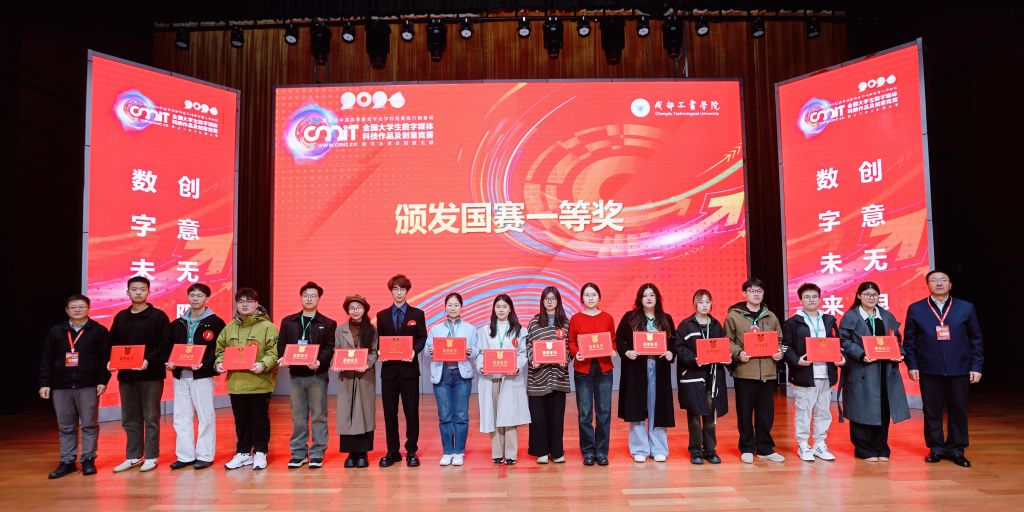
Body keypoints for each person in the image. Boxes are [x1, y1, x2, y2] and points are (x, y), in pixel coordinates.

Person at [904, 271, 984, 468]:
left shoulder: (965, 307)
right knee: (932, 410)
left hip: (959, 368)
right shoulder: (916, 309)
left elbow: (976, 338)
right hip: (929, 368)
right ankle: (936, 448)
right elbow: (910, 341)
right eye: (933, 280)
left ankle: (957, 449)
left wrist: (976, 366)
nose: (938, 283)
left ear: (950, 284)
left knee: (959, 410)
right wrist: (912, 365)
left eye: (943, 280)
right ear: (927, 284)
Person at [39, 294, 111, 479]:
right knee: (65, 426)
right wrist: (45, 383)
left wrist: (103, 380)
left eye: (81, 306)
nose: (77, 310)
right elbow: (46, 358)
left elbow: (105, 358)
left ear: (88, 309)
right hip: (61, 386)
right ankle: (67, 461)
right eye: (73, 307)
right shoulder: (56, 331)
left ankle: (88, 459)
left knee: (89, 425)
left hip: (88, 385)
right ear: (66, 310)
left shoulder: (99, 331)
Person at [838, 281, 910, 462]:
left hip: (885, 370)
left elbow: (897, 339)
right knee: (861, 409)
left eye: (874, 295)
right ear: (859, 296)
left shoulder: (886, 315)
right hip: (862, 369)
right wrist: (861, 354)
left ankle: (881, 447)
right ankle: (864, 449)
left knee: (883, 409)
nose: (871, 298)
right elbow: (843, 341)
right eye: (867, 294)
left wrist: (900, 354)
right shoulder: (851, 316)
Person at [107, 276, 171, 473]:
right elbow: (112, 342)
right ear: (127, 292)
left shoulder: (158, 316)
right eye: (134, 289)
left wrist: (148, 360)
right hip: (126, 376)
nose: (138, 292)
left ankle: (151, 456)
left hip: (151, 375)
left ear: (149, 292)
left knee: (151, 417)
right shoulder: (121, 317)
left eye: (142, 289)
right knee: (129, 417)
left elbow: (165, 345)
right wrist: (111, 359)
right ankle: (133, 456)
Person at [215, 288, 279, 471]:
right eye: (241, 301)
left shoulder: (268, 327)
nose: (245, 304)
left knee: (259, 420)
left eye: (249, 301)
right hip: (236, 383)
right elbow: (220, 350)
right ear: (236, 304)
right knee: (241, 421)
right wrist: (219, 363)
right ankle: (243, 453)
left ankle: (260, 452)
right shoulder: (229, 327)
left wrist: (263, 364)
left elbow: (274, 351)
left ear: (256, 303)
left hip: (259, 382)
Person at [782, 283, 844, 462]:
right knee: (804, 411)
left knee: (823, 411)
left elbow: (837, 343)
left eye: (814, 296)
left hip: (826, 372)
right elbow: (786, 347)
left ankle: (819, 443)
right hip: (805, 373)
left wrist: (841, 357)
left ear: (819, 298)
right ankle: (803, 444)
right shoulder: (793, 322)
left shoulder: (829, 320)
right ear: (801, 300)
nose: (811, 300)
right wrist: (797, 360)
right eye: (807, 297)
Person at [278, 282, 337, 469]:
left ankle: (317, 452)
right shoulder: (288, 321)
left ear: (319, 298)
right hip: (296, 376)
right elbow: (282, 344)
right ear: (301, 297)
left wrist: (320, 361)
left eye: (313, 295)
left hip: (317, 375)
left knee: (319, 415)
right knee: (298, 416)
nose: (309, 299)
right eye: (305, 295)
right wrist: (283, 357)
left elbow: (329, 347)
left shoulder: (328, 323)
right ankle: (298, 453)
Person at [726, 277, 786, 464]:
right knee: (744, 413)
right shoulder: (733, 316)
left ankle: (765, 448)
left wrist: (779, 353)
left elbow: (779, 340)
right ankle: (746, 447)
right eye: (752, 291)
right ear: (744, 294)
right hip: (745, 371)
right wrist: (738, 353)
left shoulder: (771, 316)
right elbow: (727, 341)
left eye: (759, 291)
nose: (756, 294)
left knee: (766, 413)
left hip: (767, 372)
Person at [166, 283, 226, 471]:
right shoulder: (177, 323)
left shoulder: (216, 322)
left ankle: (205, 455)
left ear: (207, 298)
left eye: (199, 295)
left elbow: (219, 349)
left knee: (205, 416)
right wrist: (170, 362)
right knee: (181, 417)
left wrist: (205, 364)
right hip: (181, 376)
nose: (195, 298)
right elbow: (169, 347)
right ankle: (185, 456)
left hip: (202, 377)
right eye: (192, 295)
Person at [615, 284, 676, 463]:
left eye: (652, 295)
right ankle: (639, 448)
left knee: (658, 408)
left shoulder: (666, 319)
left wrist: (671, 353)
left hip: (659, 369)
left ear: (657, 298)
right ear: (639, 299)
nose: (648, 298)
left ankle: (658, 448)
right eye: (645, 295)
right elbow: (619, 339)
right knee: (637, 409)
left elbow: (673, 342)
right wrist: (627, 352)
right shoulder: (630, 317)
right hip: (636, 370)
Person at [375, 274, 428, 468]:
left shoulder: (417, 314)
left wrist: (414, 351)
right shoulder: (382, 315)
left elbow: (422, 338)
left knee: (411, 412)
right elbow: (379, 340)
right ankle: (393, 451)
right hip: (389, 371)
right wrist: (379, 350)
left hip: (409, 371)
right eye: (395, 289)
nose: (399, 293)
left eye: (402, 289)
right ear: (391, 291)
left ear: (407, 291)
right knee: (390, 413)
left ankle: (411, 450)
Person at [673, 289, 728, 465]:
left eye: (707, 302)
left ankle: (710, 449)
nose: (704, 305)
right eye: (701, 302)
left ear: (711, 304)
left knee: (710, 415)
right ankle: (695, 450)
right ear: (694, 304)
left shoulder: (716, 325)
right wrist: (694, 358)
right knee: (695, 414)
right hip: (693, 376)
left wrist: (725, 356)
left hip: (712, 377)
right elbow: (679, 347)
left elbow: (723, 346)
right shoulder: (685, 325)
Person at [475, 294, 530, 465]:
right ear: (494, 309)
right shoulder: (485, 330)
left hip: (510, 378)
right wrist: (481, 366)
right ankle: (497, 453)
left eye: (504, 307)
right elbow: (480, 353)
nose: (501, 310)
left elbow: (523, 354)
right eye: (498, 306)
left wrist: (517, 366)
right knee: (493, 415)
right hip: (491, 378)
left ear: (510, 309)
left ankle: (511, 454)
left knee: (510, 415)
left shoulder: (520, 330)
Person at [425, 292, 479, 466]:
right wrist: (431, 350)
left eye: (456, 305)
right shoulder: (435, 329)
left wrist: (471, 351)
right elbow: (426, 351)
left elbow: (477, 350)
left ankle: (459, 452)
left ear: (461, 307)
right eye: (450, 305)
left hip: (461, 375)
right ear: (445, 307)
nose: (453, 308)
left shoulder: (470, 329)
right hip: (442, 375)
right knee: (445, 415)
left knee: (461, 415)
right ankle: (447, 451)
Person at [568, 282, 617, 466]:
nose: (590, 298)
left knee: (604, 412)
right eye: (587, 295)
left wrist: (612, 349)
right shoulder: (576, 319)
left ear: (599, 297)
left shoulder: (607, 318)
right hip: (583, 369)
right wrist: (576, 353)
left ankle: (602, 452)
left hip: (604, 369)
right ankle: (588, 451)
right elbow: (571, 341)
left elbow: (612, 340)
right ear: (582, 299)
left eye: (593, 294)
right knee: (585, 413)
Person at [525, 286, 572, 464]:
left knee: (556, 417)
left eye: (553, 298)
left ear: (558, 301)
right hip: (538, 377)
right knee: (538, 417)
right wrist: (533, 359)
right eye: (547, 298)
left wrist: (566, 358)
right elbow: (528, 345)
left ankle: (557, 452)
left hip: (558, 376)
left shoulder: (566, 323)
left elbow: (570, 346)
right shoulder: (534, 322)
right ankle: (541, 451)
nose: (550, 301)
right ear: (542, 301)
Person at [335, 295, 379, 469]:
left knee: (364, 413)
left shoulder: (372, 329)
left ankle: (363, 453)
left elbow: (374, 351)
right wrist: (336, 363)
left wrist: (367, 363)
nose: (355, 311)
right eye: (352, 308)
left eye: (358, 307)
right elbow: (336, 350)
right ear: (347, 310)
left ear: (364, 309)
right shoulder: (340, 329)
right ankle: (351, 453)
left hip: (364, 376)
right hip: (346, 377)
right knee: (347, 413)